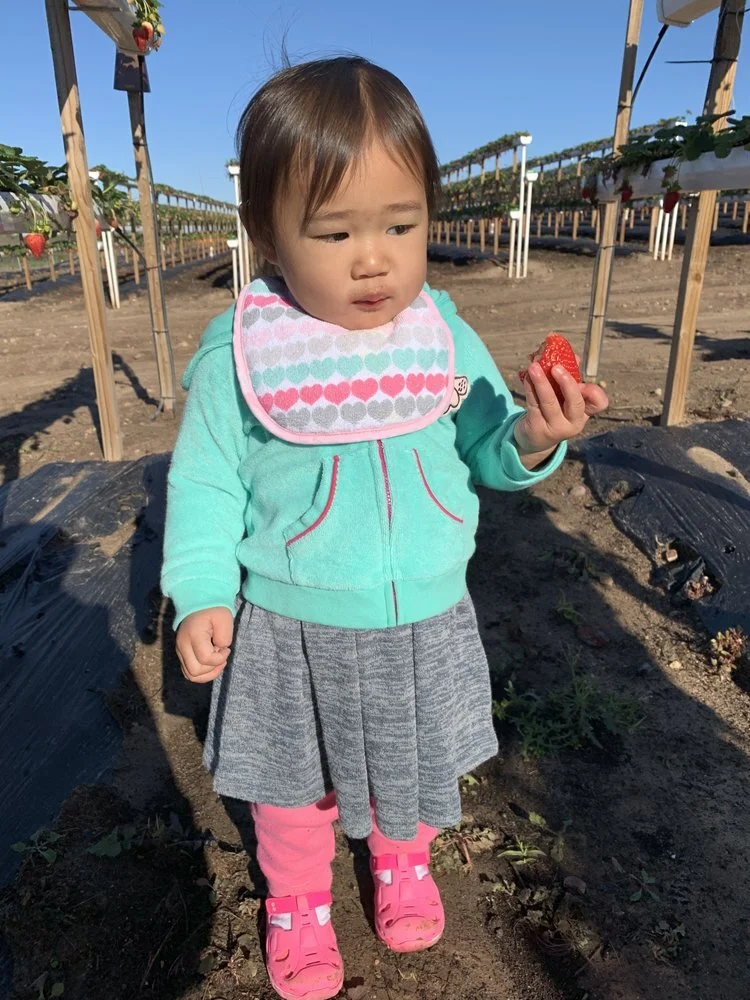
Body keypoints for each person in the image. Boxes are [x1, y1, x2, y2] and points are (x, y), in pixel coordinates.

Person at [161, 55, 608, 1000]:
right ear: (268, 237)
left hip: (424, 613)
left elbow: (487, 444)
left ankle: (402, 859)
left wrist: (532, 434)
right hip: (294, 619)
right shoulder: (243, 354)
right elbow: (204, 481)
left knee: (414, 755)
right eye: (334, 232)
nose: (374, 258)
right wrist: (200, 589)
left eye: (401, 226)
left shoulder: (439, 329)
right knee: (294, 778)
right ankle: (295, 898)